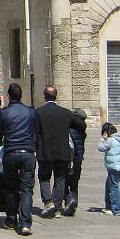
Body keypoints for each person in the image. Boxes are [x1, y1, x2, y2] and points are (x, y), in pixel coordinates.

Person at [0, 82, 39, 236]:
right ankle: (25, 223)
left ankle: (11, 219)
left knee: (10, 188)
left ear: (8, 96)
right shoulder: (31, 112)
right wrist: (35, 148)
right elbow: (36, 132)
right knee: (26, 188)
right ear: (21, 96)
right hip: (28, 153)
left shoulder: (4, 113)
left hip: (11, 152)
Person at [35, 85, 86, 218]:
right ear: (56, 96)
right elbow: (81, 124)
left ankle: (48, 202)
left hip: (45, 150)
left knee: (44, 177)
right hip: (62, 151)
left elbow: (34, 131)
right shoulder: (65, 112)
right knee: (60, 178)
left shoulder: (39, 112)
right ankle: (57, 208)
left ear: (44, 97)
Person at [98, 122, 120, 216]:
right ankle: (109, 206)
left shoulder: (111, 140)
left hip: (113, 166)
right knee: (109, 185)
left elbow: (101, 148)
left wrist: (103, 139)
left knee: (114, 187)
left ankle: (116, 209)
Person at [62, 108, 88, 216]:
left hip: (70, 159)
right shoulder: (82, 130)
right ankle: (74, 203)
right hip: (79, 159)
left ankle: (69, 200)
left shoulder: (70, 130)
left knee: (63, 181)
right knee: (74, 183)